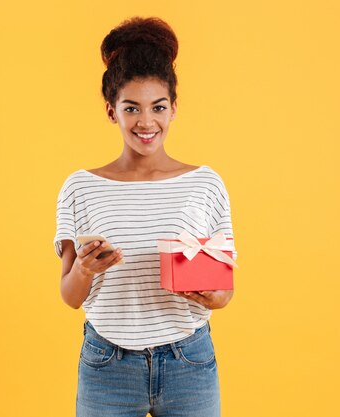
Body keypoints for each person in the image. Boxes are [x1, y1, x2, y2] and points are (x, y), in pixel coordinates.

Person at [53, 16, 238, 417]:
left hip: (189, 361)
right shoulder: (79, 187)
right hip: (107, 365)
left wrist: (209, 294)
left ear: (173, 108)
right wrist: (85, 270)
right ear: (111, 111)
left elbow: (225, 292)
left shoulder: (205, 183)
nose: (146, 122)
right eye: (131, 108)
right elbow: (70, 296)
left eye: (157, 107)